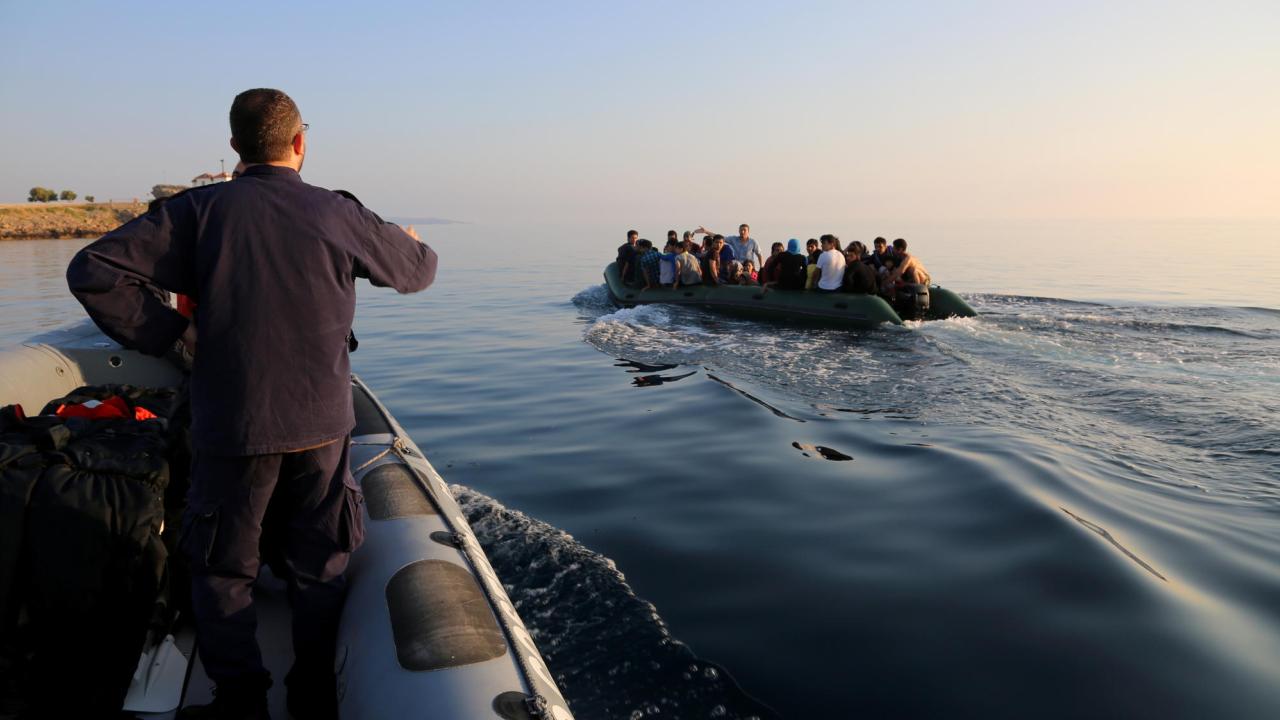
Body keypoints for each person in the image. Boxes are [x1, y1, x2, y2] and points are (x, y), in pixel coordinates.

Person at [66, 88, 438, 720]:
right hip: (320, 423)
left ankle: (241, 703)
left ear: (235, 148)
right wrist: (404, 241)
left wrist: (172, 332)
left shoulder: (194, 213)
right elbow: (420, 270)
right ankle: (313, 694)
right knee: (321, 566)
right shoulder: (337, 213)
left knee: (222, 568)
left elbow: (93, 270)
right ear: (301, 143)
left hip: (232, 423)